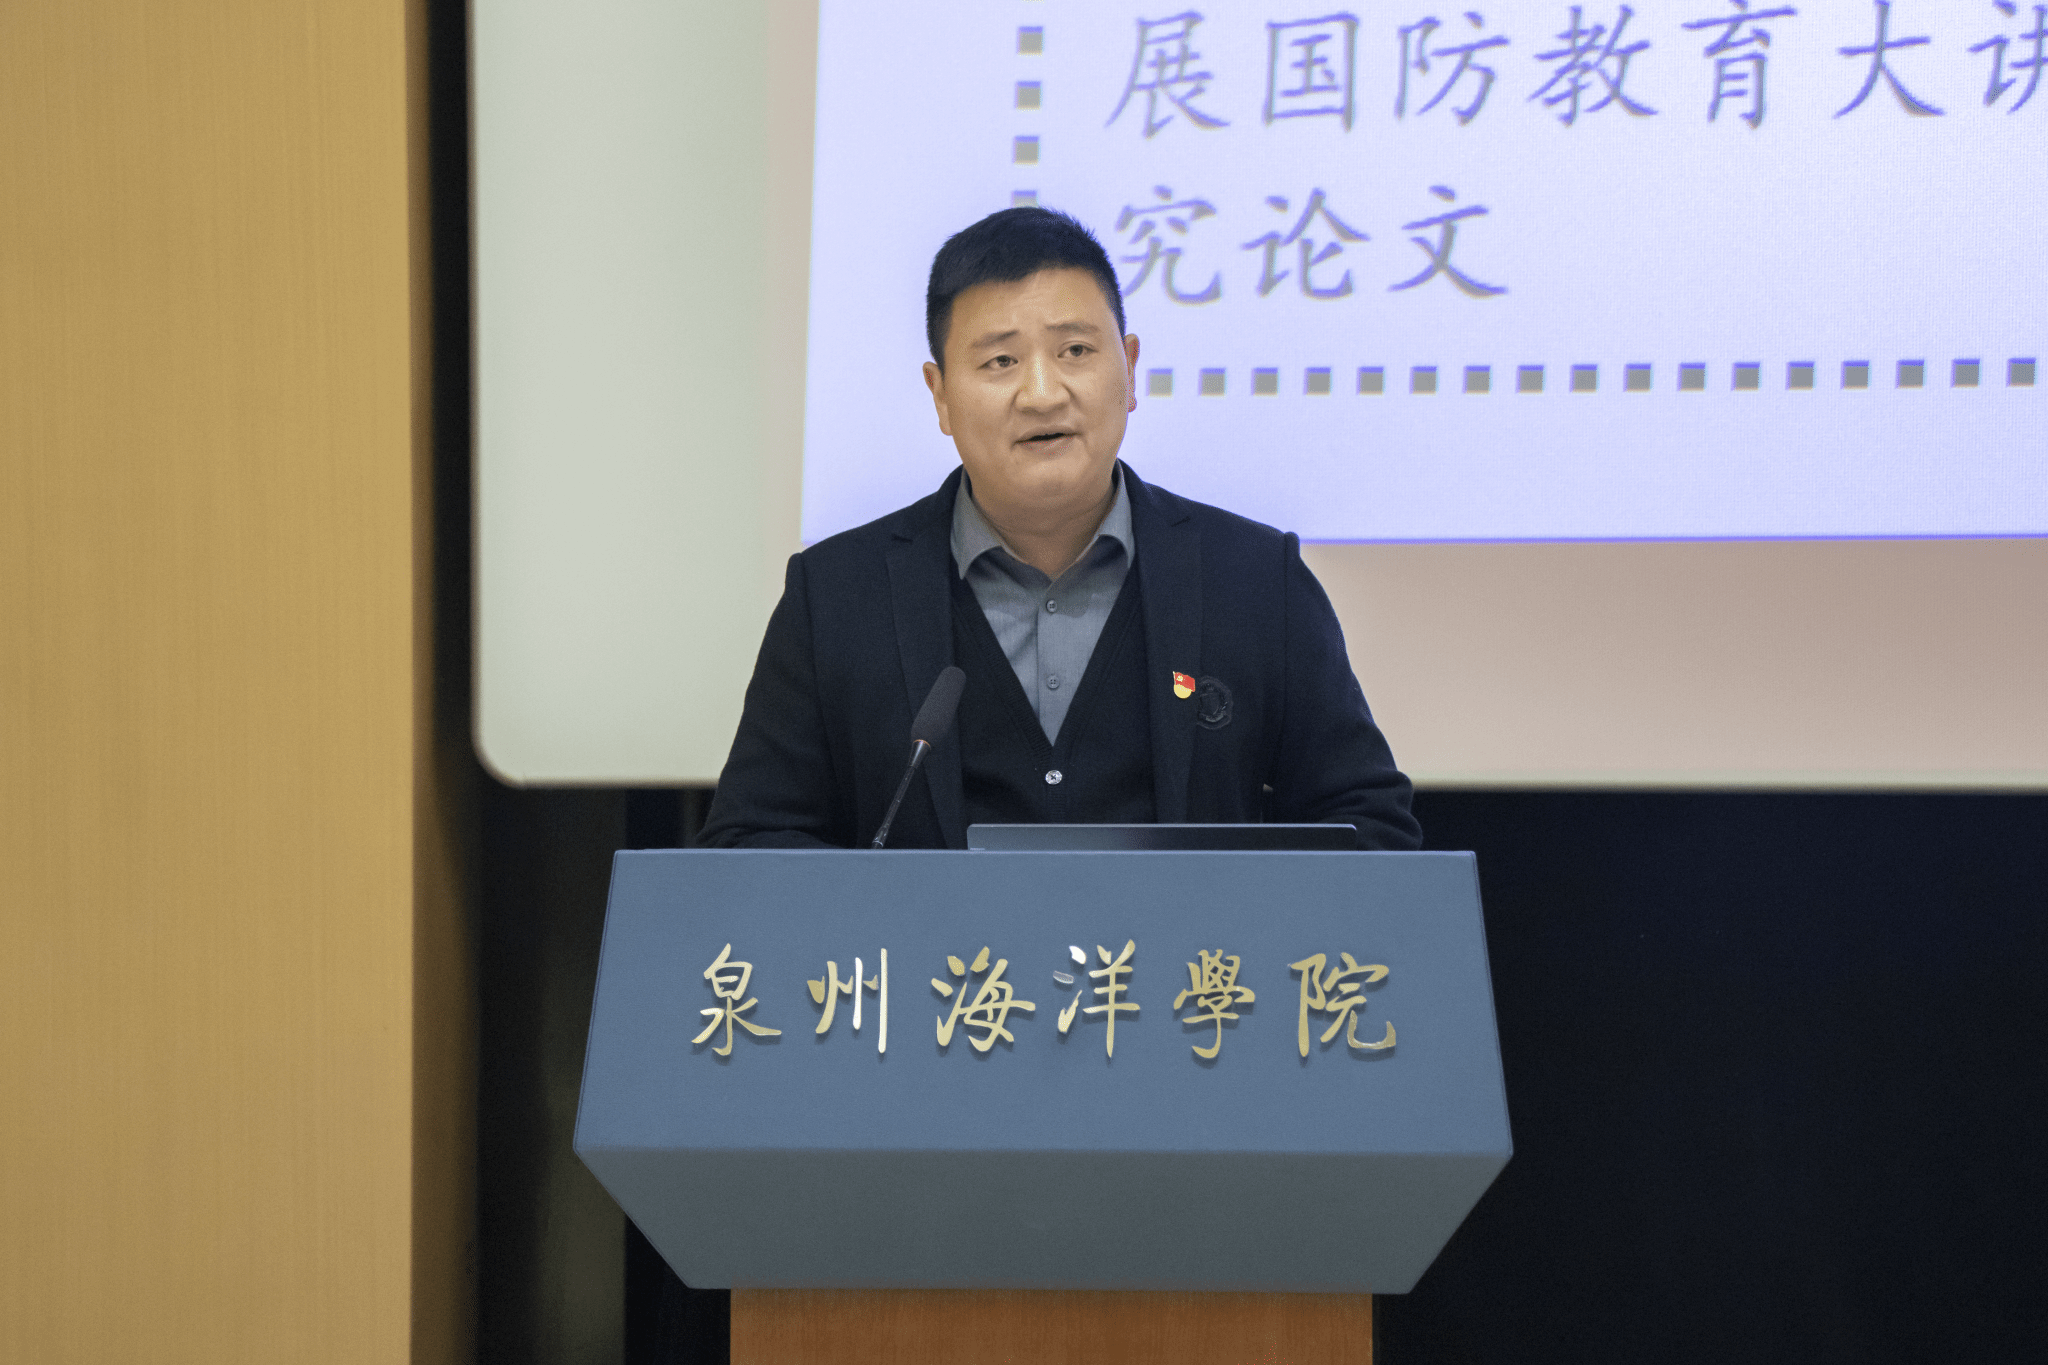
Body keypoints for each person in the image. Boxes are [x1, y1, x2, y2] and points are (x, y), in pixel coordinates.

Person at [698, 207, 1419, 850]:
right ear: (940, 395)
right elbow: (751, 841)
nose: (1042, 393)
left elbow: (1371, 826)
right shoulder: (835, 597)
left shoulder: (1257, 581)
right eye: (1000, 361)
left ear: (1129, 370)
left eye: (1075, 351)